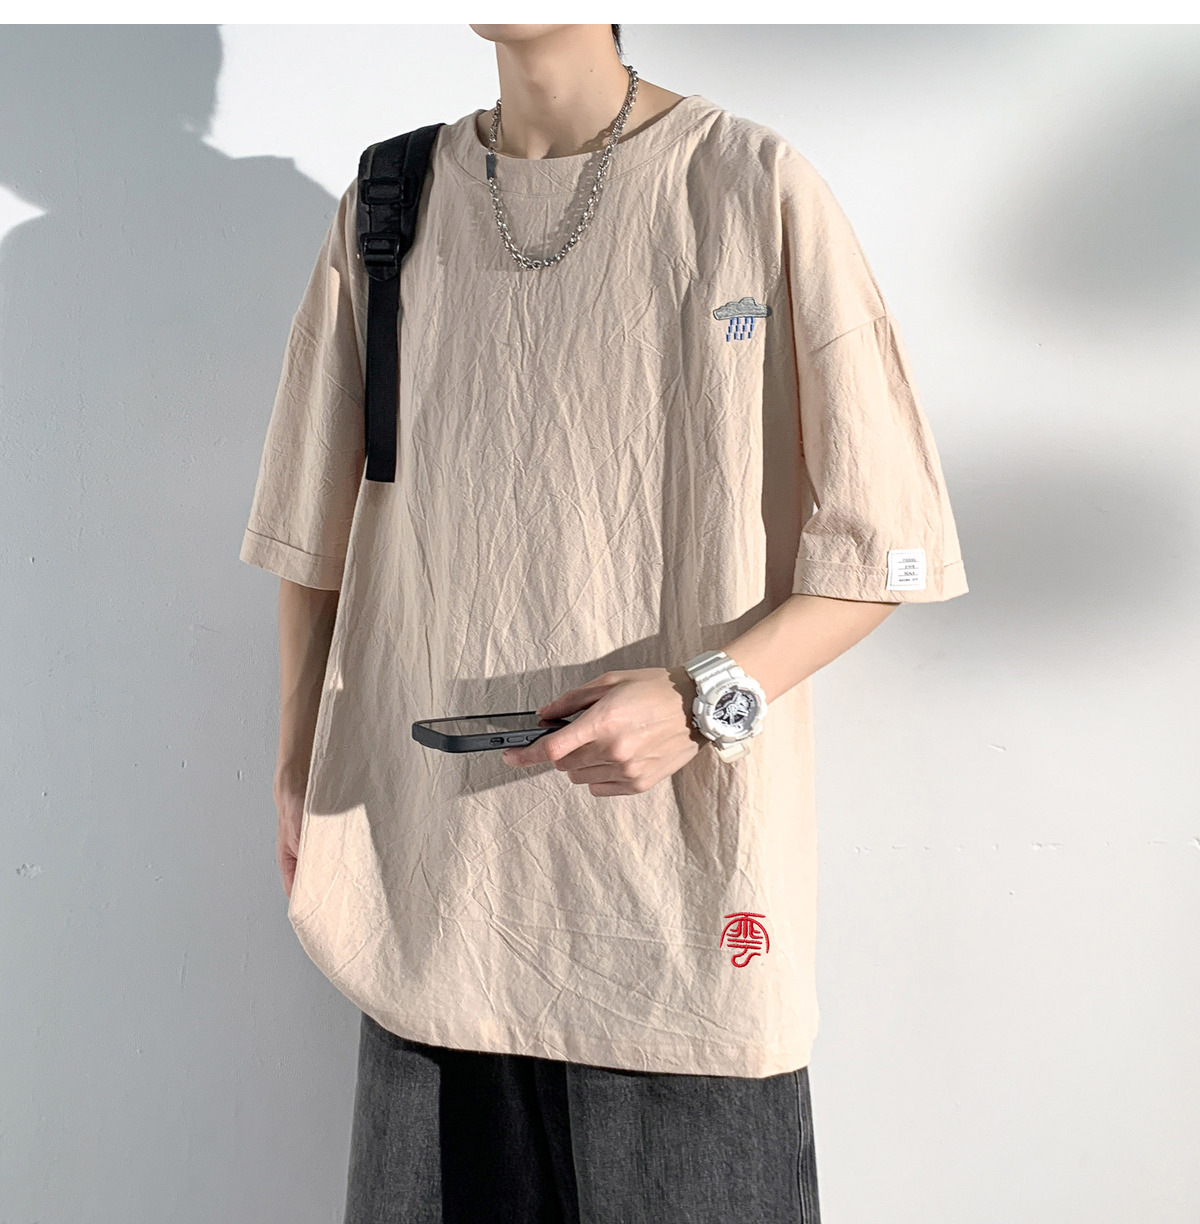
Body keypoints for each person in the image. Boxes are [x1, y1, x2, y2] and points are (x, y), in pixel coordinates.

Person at [238, 22, 968, 1223]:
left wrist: (699, 700)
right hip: (434, 911)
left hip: (678, 921)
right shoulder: (389, 205)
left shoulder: (750, 185)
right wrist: (291, 763)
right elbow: (314, 536)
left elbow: (884, 544)